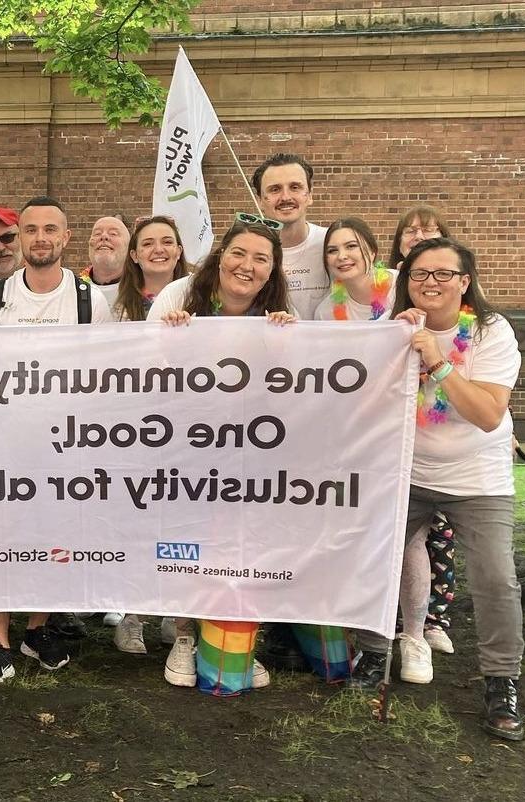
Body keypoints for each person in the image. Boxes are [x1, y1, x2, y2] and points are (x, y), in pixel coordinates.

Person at [350, 237, 525, 741]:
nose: (430, 282)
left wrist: (439, 361)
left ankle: (501, 683)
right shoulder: (392, 329)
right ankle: (372, 657)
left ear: (464, 282)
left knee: (495, 577)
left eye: (442, 274)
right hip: (407, 470)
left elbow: (490, 415)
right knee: (374, 556)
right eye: (420, 273)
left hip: (478, 476)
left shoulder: (493, 333)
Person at [147, 215, 299, 695]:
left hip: (250, 455)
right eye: (238, 253)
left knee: (243, 545)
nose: (246, 266)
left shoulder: (276, 315)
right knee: (188, 542)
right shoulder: (179, 295)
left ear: (272, 271)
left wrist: (293, 343)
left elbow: (295, 389)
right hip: (185, 450)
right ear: (220, 256)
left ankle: (236, 642)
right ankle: (187, 637)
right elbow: (137, 370)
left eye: (261, 259)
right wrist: (166, 340)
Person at [0, 196, 111, 683]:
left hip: (69, 446)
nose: (41, 238)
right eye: (31, 230)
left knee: (57, 538)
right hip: (4, 444)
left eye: (51, 229)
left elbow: (111, 373)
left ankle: (37, 628)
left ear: (67, 237)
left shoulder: (92, 300)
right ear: (20, 238)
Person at [107, 215, 190, 653]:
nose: (159, 249)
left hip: (187, 430)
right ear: (134, 254)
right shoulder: (117, 305)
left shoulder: (202, 295)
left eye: (168, 242)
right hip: (130, 428)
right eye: (148, 243)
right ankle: (133, 613)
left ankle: (178, 618)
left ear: (179, 250)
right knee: (137, 524)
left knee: (180, 525)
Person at [388, 206, 458, 654]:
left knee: (440, 535)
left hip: (447, 442)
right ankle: (398, 622)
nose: (418, 235)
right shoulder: (390, 296)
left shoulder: (459, 301)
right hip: (395, 437)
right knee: (402, 534)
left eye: (428, 230)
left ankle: (435, 619)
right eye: (410, 231)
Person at [251, 153, 328, 318]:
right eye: (275, 189)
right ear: (260, 200)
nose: (285, 197)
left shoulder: (333, 245)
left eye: (295, 187)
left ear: (309, 195)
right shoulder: (247, 253)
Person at [313, 217, 396, 322]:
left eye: (351, 246)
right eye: (332, 250)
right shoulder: (325, 314)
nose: (341, 256)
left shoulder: (401, 287)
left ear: (372, 252)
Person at [82, 216, 130, 305]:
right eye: (97, 233)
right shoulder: (73, 290)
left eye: (113, 233)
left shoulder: (145, 289)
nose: (104, 236)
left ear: (129, 248)